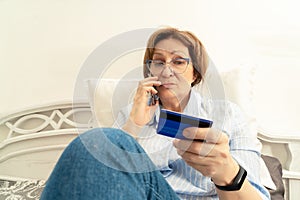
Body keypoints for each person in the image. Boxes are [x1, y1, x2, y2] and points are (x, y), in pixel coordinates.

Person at [41, 27, 271, 200]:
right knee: (94, 143)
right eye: (158, 62)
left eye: (178, 61)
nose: (167, 70)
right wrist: (134, 123)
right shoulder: (131, 116)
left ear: (195, 74)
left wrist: (227, 172)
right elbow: (108, 172)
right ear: (150, 71)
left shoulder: (228, 114)